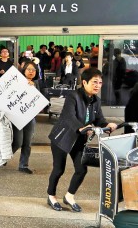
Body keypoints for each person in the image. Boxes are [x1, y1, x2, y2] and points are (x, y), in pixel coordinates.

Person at [47, 68, 117, 212]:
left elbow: (100, 119)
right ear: (84, 82)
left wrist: (107, 125)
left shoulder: (96, 100)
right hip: (63, 137)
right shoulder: (73, 96)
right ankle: (51, 196)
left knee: (81, 169)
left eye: (100, 82)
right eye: (94, 82)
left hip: (79, 140)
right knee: (58, 169)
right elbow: (68, 116)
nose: (97, 85)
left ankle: (69, 196)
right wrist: (81, 128)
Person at [11, 60, 41, 174]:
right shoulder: (17, 81)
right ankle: (4, 157)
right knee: (17, 142)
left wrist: (33, 88)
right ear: (24, 71)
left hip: (30, 116)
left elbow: (39, 99)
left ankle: (23, 165)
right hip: (17, 116)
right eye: (29, 69)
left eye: (33, 70)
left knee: (27, 142)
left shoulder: (36, 83)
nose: (31, 72)